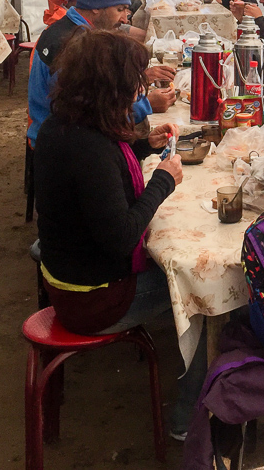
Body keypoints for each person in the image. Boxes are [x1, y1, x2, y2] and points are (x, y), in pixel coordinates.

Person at [33, 28, 205, 438]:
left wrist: (143, 144)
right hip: (94, 299)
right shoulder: (88, 148)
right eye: (136, 81)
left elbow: (104, 174)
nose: (140, 89)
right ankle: (189, 417)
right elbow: (122, 235)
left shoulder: (65, 126)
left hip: (64, 276)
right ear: (111, 85)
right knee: (200, 291)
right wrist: (163, 181)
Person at [27, 0, 175, 148]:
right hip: (62, 149)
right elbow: (96, 117)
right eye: (119, 9)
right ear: (96, 6)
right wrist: (147, 104)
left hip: (55, 136)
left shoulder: (70, 30)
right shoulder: (76, 47)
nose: (124, 19)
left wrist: (138, 76)